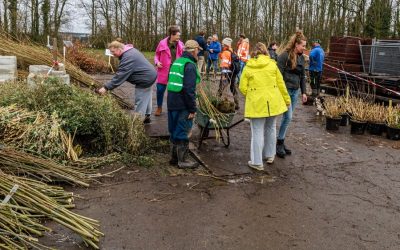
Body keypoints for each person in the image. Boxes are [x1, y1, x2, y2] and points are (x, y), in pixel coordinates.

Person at [239, 42, 290, 170]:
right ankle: (270, 155)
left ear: (253, 53)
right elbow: (281, 84)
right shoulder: (272, 65)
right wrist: (287, 99)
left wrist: (252, 94)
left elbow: (242, 87)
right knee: (271, 128)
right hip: (273, 102)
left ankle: (257, 162)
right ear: (265, 52)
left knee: (257, 131)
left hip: (256, 103)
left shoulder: (248, 67)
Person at [98, 41, 157, 124]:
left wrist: (105, 87)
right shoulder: (129, 51)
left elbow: (120, 76)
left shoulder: (128, 57)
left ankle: (137, 123)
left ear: (119, 49)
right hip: (150, 75)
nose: (112, 54)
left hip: (145, 78)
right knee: (146, 96)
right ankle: (147, 116)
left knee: (140, 100)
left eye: (113, 52)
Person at [167, 40, 201, 169]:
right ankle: (183, 160)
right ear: (194, 51)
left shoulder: (177, 62)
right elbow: (188, 89)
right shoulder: (190, 65)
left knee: (174, 130)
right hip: (183, 105)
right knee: (183, 131)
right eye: (198, 50)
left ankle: (173, 159)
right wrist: (192, 108)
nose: (198, 52)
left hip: (172, 102)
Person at [276, 31, 308, 158]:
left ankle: (281, 141)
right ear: (296, 44)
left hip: (295, 91)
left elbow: (303, 76)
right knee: (288, 117)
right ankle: (279, 143)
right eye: (303, 46)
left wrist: (304, 92)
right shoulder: (284, 56)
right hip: (285, 91)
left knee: (287, 118)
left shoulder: (301, 58)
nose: (304, 48)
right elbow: (278, 76)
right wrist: (281, 92)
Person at [154, 25, 184, 116]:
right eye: (178, 35)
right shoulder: (162, 43)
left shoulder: (181, 44)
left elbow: (183, 57)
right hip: (163, 71)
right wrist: (157, 62)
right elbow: (156, 55)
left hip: (176, 72)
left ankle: (173, 108)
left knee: (174, 91)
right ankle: (159, 107)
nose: (179, 37)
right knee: (160, 90)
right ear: (172, 34)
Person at [218, 37, 239, 109]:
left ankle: (216, 101)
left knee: (221, 88)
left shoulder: (225, 53)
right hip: (233, 72)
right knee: (233, 88)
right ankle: (237, 104)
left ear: (226, 45)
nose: (221, 45)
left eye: (223, 44)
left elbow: (224, 64)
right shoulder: (232, 51)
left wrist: (223, 75)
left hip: (227, 72)